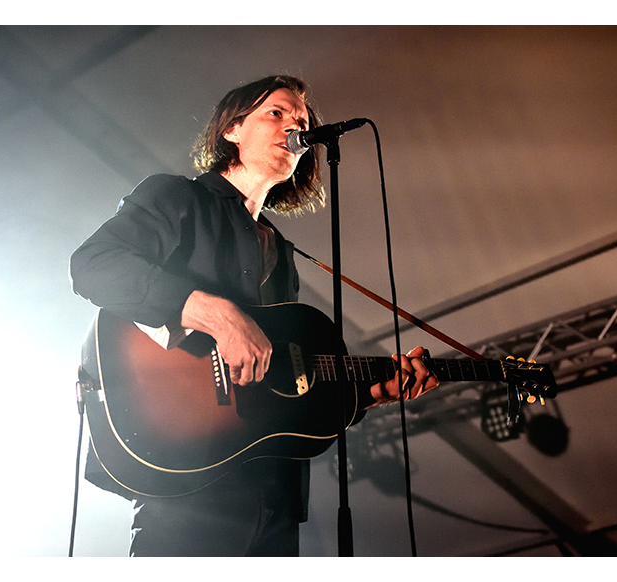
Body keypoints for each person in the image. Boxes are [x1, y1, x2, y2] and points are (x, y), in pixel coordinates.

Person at [69, 75, 439, 556]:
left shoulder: (281, 253)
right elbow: (93, 265)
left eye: (303, 123)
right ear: (232, 129)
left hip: (275, 495)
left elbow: (285, 387)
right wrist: (217, 316)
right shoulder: (177, 199)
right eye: (278, 113)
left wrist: (367, 397)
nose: (295, 127)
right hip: (191, 483)